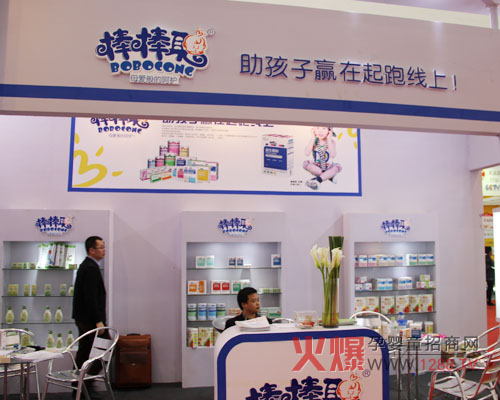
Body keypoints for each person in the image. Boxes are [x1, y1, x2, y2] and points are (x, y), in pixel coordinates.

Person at [72, 236, 109, 377]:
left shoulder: (88, 266)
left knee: (84, 352)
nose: (104, 250)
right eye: (101, 247)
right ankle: (86, 382)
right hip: (90, 320)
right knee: (106, 349)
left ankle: (78, 384)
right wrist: (98, 320)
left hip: (84, 318)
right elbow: (90, 297)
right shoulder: (90, 268)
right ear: (92, 250)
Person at [303, 126, 342, 190]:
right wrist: (312, 138)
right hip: (316, 166)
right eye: (317, 128)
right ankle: (329, 177)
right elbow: (307, 153)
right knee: (308, 165)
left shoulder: (332, 141)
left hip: (328, 167)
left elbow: (333, 155)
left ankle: (318, 180)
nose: (320, 131)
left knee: (335, 168)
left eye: (324, 128)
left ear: (329, 131)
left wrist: (329, 139)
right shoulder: (314, 141)